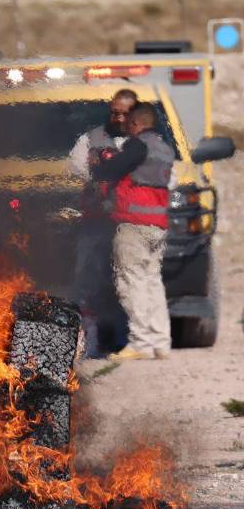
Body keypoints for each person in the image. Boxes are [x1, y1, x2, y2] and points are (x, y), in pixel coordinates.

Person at [91, 104, 175, 360]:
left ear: (137, 124)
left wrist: (97, 165)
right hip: (158, 226)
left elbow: (110, 171)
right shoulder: (165, 149)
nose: (127, 129)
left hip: (134, 226)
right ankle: (160, 342)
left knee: (131, 283)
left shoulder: (138, 146)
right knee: (152, 282)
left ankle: (140, 343)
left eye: (129, 125)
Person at [68, 89, 138, 356]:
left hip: (129, 227)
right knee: (88, 284)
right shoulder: (90, 139)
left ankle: (125, 343)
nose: (118, 117)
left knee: (125, 285)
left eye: (124, 113)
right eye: (114, 112)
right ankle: (91, 347)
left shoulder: (143, 142)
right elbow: (75, 167)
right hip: (95, 225)